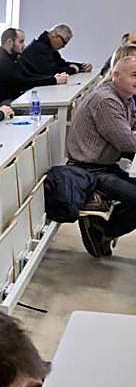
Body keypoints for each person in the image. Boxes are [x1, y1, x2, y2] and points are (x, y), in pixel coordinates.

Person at [66, 55, 136, 258]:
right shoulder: (107, 100)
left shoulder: (124, 97)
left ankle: (104, 226)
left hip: (106, 165)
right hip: (89, 171)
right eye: (133, 75)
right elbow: (128, 142)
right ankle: (104, 231)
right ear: (115, 76)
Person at [0, 28, 69, 105]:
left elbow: (29, 75)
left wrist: (53, 78)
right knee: (43, 108)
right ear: (9, 42)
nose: (24, 45)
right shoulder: (0, 61)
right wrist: (53, 80)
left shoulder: (14, 57)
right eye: (21, 41)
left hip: (14, 98)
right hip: (2, 104)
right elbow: (23, 82)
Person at [20, 24, 93, 78]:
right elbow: (52, 71)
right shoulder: (38, 47)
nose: (64, 46)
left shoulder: (48, 46)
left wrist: (82, 66)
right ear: (55, 35)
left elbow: (61, 63)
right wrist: (74, 69)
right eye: (64, 42)